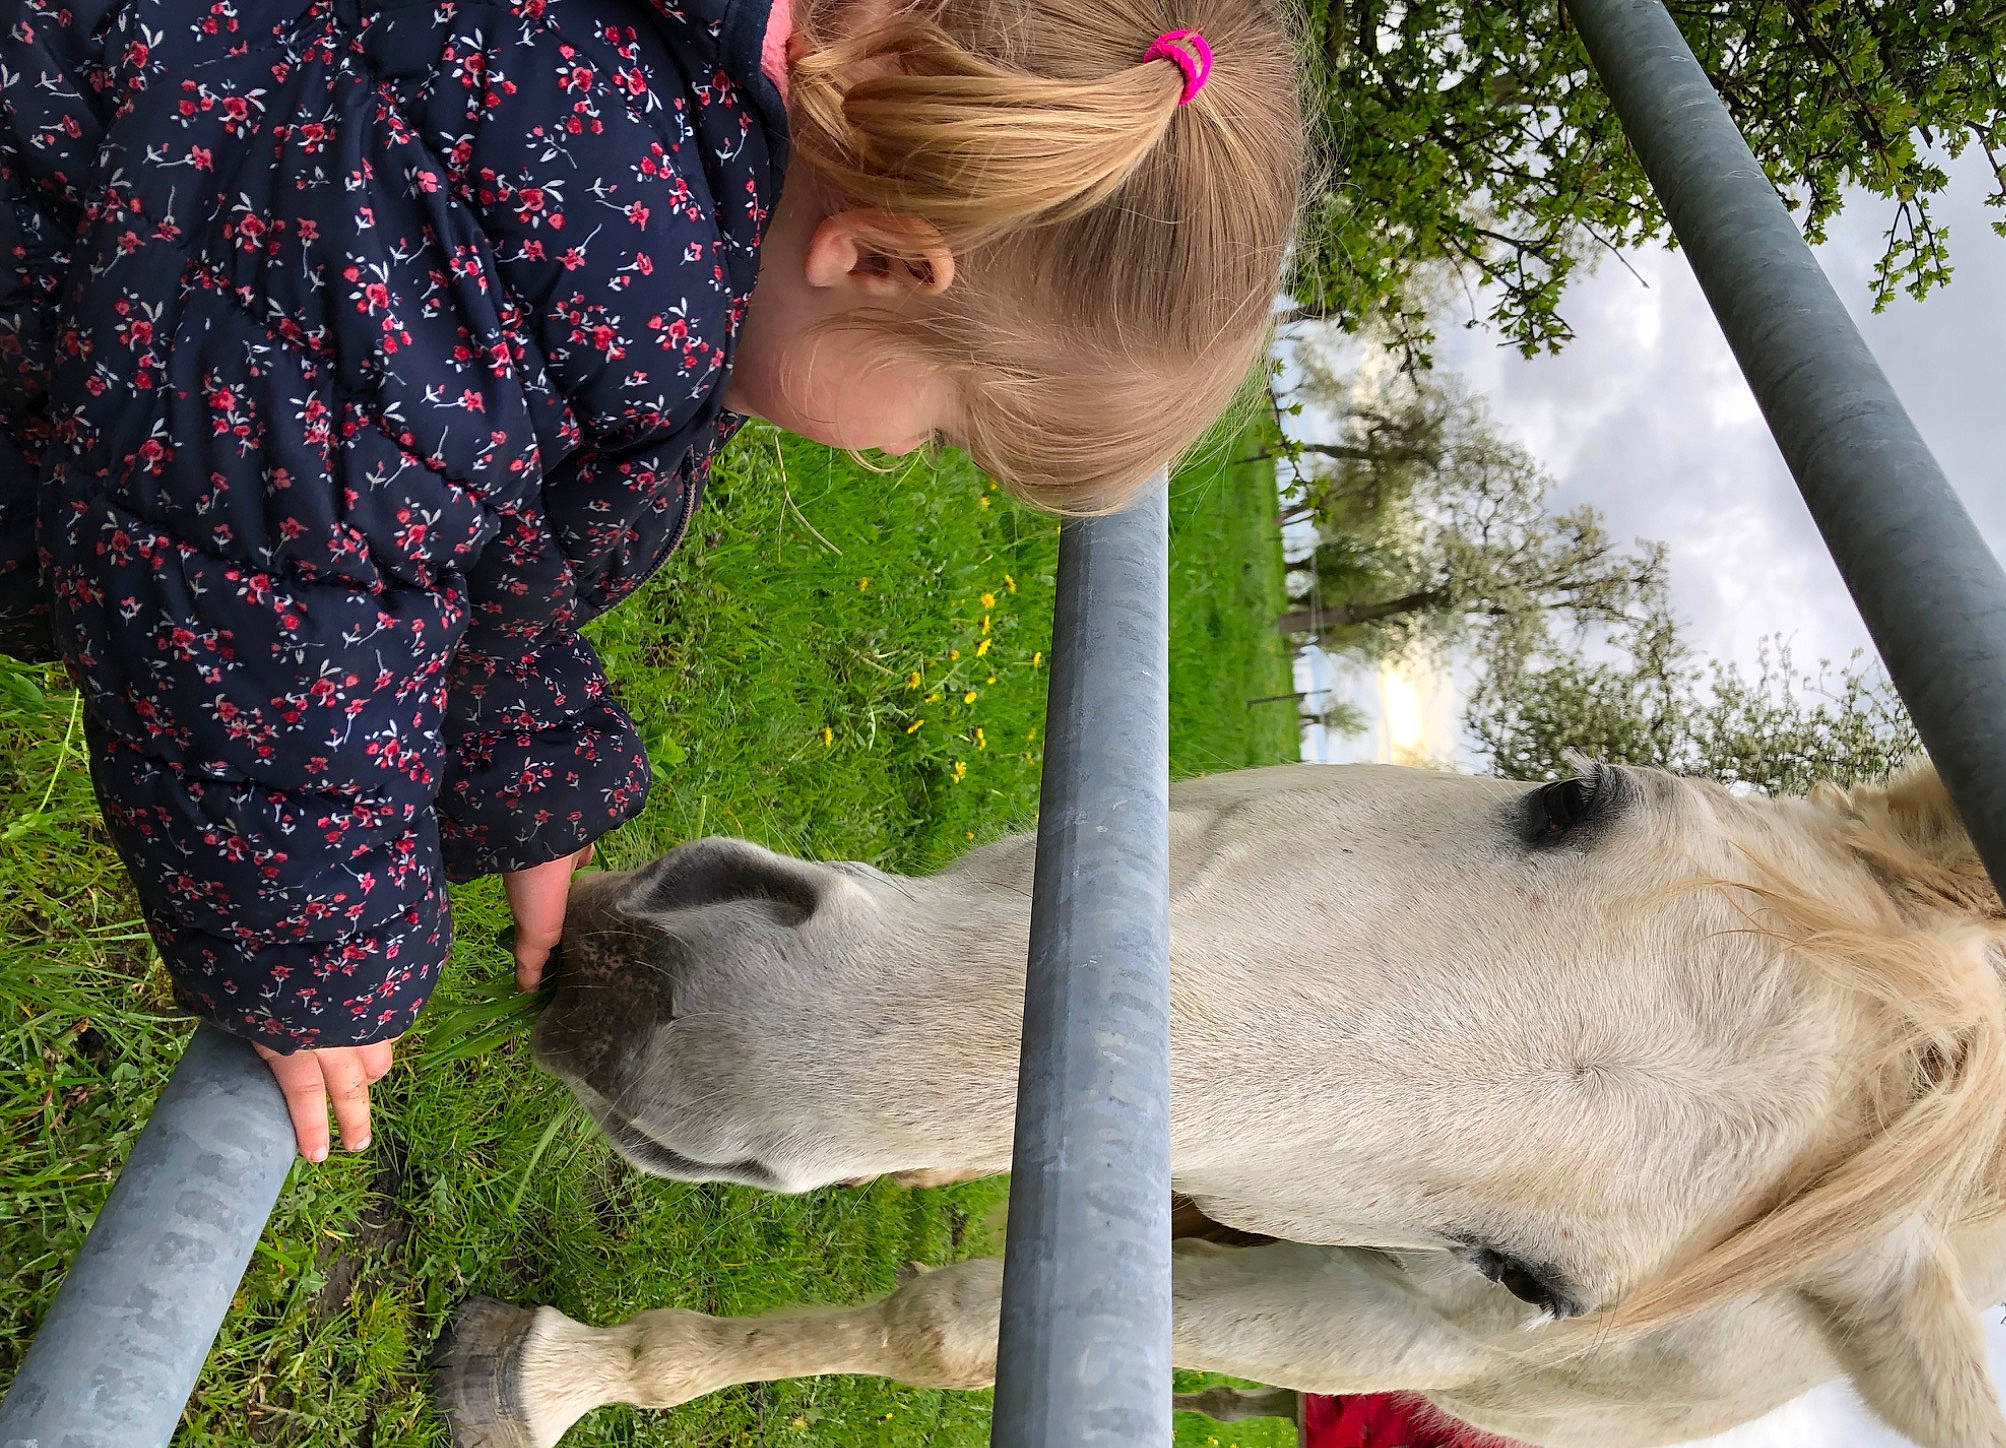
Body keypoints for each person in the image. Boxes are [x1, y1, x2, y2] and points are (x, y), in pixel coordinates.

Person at [0, 0, 1306, 1160]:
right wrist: (322, 963)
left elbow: (430, 499)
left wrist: (523, 774)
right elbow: (268, 575)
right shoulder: (613, 259)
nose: (890, 454)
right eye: (940, 432)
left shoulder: (629, 164)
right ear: (880, 260)